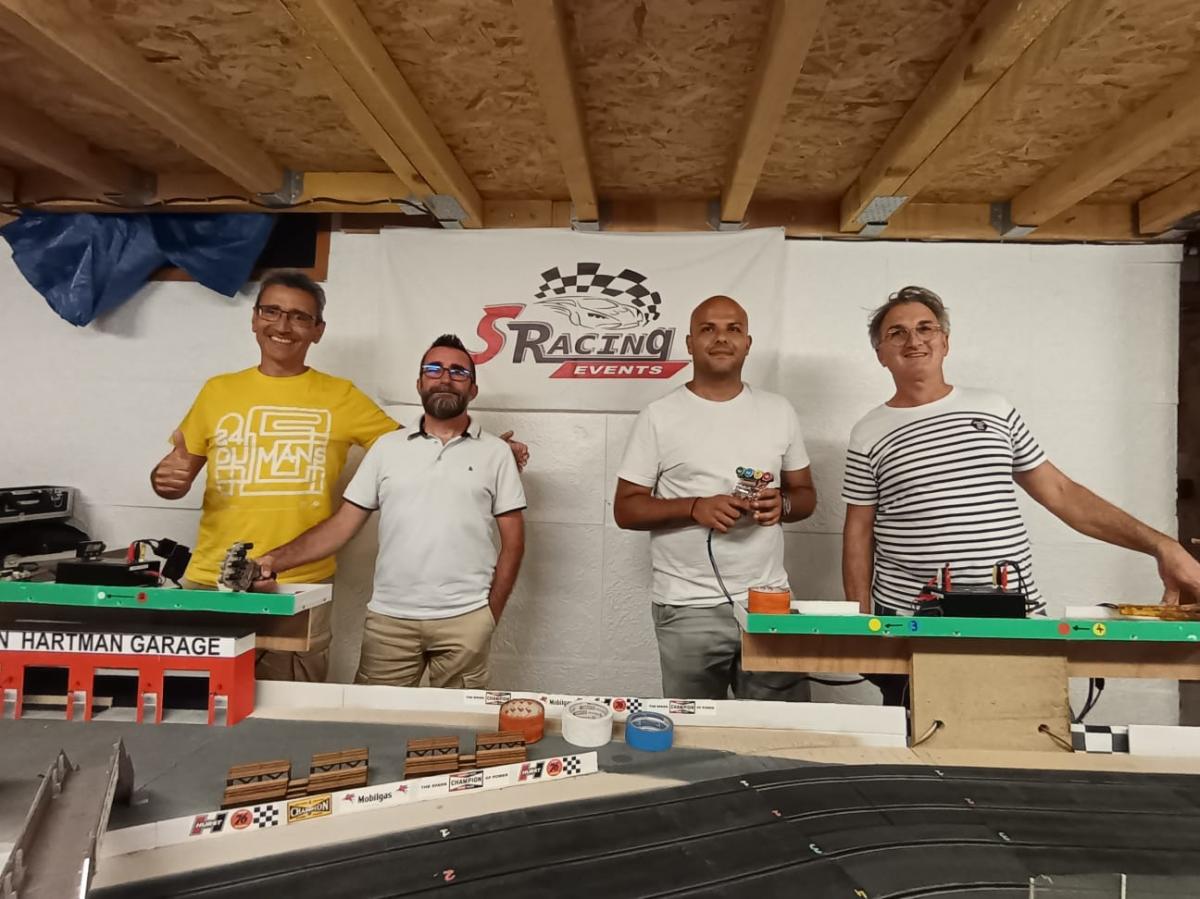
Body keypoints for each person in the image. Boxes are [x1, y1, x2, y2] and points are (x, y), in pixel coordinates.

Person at [150, 272, 528, 682]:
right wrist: (162, 480)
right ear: (255, 318)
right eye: (272, 311)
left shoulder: (343, 397)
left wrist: (489, 450)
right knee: (194, 697)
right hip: (210, 577)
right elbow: (175, 473)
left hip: (300, 586)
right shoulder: (216, 391)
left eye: (299, 316)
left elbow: (423, 446)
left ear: (318, 330)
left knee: (294, 704)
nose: (283, 325)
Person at [841, 285, 1200, 702]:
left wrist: (1162, 546)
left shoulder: (994, 409)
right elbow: (858, 533)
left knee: (1026, 732)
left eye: (926, 328)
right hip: (913, 626)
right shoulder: (868, 432)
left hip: (1015, 620)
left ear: (945, 341)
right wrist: (861, 624)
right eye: (896, 333)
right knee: (926, 741)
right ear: (880, 354)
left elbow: (1062, 494)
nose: (914, 340)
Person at [251, 334, 526, 689]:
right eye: (434, 369)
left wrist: (489, 614)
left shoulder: (496, 453)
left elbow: (514, 543)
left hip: (466, 619)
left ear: (472, 389)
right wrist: (273, 560)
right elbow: (341, 526)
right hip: (390, 621)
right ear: (419, 383)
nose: (445, 377)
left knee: (459, 721)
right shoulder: (386, 448)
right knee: (373, 718)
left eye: (458, 372)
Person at [613, 295, 817, 701]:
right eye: (708, 329)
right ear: (690, 343)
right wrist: (694, 508)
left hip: (768, 602)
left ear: (748, 343)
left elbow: (806, 496)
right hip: (687, 607)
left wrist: (782, 505)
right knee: (694, 730)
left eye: (733, 329)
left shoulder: (779, 411)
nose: (721, 338)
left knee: (780, 729)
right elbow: (626, 508)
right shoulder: (659, 416)